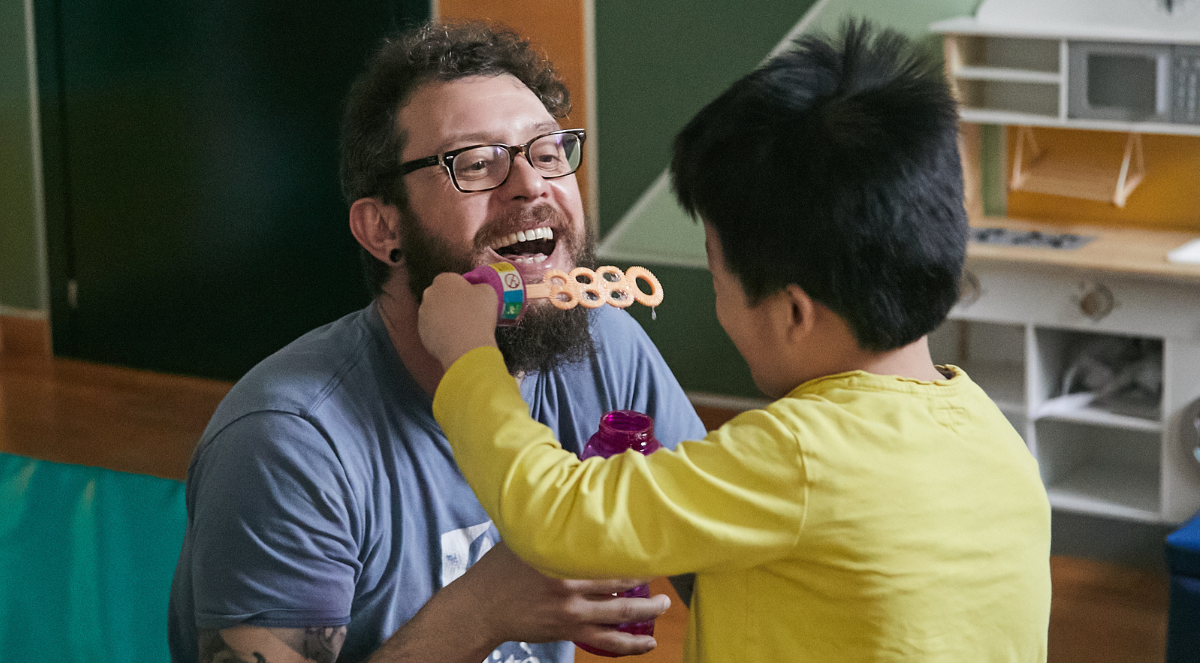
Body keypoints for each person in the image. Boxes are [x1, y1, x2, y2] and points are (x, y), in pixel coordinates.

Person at [416, 21, 1053, 663]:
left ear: (793, 312)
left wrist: (469, 357)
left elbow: (561, 518)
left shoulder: (796, 458)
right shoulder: (1000, 444)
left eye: (718, 276)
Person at [168, 21, 706, 663]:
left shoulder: (606, 348)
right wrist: (483, 612)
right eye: (476, 163)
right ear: (382, 228)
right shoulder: (290, 441)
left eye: (548, 152)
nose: (532, 185)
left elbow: (727, 570)